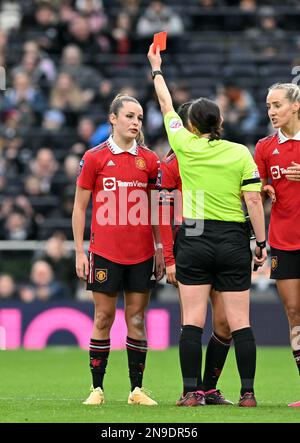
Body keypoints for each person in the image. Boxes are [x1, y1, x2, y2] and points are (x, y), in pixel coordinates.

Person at [148, 44, 267, 407]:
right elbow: (252, 201)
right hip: (233, 239)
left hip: (195, 238)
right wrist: (260, 243)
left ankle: (191, 393)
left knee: (192, 323)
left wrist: (157, 69)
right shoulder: (240, 152)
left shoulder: (183, 146)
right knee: (240, 322)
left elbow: (167, 106)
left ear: (192, 125)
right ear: (220, 123)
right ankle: (247, 393)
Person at [72, 94, 164, 406]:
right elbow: (79, 208)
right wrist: (78, 251)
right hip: (105, 252)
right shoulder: (95, 157)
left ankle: (136, 390)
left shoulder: (150, 160)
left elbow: (156, 208)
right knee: (103, 317)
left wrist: (161, 248)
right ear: (113, 118)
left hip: (142, 254)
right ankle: (96, 389)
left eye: (139, 118)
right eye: (129, 116)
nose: (136, 122)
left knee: (137, 319)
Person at [158, 101, 233, 406]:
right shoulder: (174, 162)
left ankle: (208, 388)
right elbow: (162, 212)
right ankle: (191, 390)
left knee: (225, 323)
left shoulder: (221, 154)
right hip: (189, 243)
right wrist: (170, 258)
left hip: (219, 243)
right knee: (194, 320)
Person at [254, 82, 300, 408]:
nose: (271, 112)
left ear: (295, 106)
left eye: (277, 105)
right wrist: (263, 190)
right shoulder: (265, 148)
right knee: (294, 313)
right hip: (283, 240)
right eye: (268, 106)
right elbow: (255, 189)